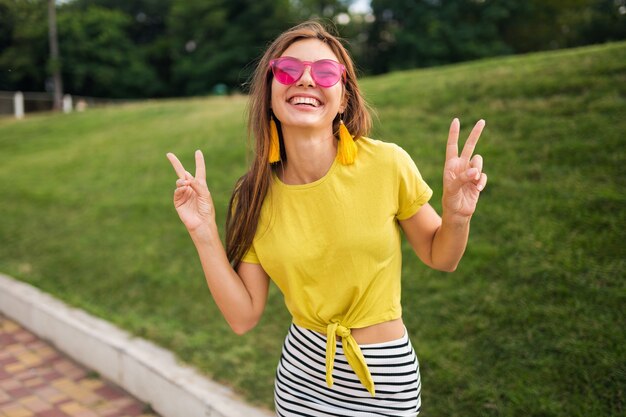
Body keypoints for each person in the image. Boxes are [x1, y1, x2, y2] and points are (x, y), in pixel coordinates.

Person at [166, 21, 487, 417]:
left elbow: (443, 257)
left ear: (344, 99)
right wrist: (203, 233)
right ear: (269, 92)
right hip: (300, 378)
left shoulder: (387, 164)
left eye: (324, 72)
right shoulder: (254, 195)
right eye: (287, 70)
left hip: (383, 378)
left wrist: (457, 214)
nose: (304, 80)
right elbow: (243, 316)